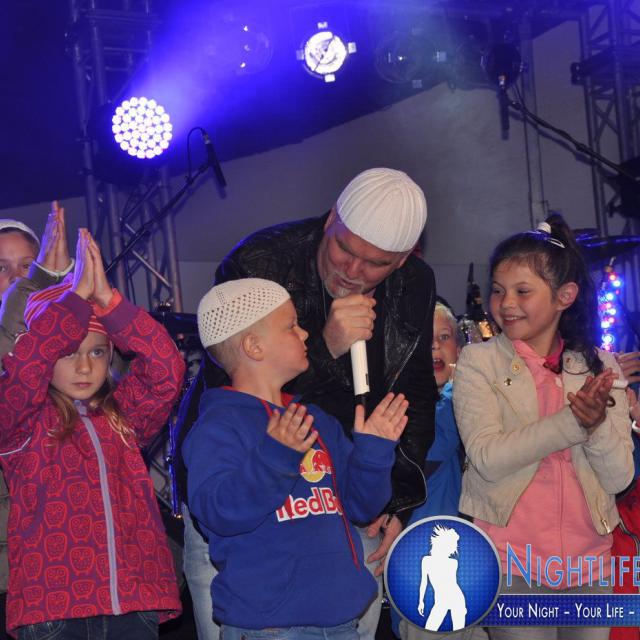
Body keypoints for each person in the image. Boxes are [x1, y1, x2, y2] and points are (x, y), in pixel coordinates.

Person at [176, 167, 438, 639]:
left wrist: (394, 491)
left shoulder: (414, 283)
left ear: (404, 260)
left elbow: (413, 396)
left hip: (333, 500)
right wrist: (325, 345)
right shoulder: (262, 260)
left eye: (375, 264)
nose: (352, 270)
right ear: (331, 219)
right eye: (344, 249)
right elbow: (235, 382)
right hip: (257, 553)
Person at [182, 277, 409, 640]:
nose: (305, 334)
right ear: (254, 346)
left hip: (340, 623)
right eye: (291, 326)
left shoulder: (316, 419)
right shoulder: (218, 426)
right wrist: (275, 457)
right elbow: (217, 512)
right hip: (271, 628)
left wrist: (373, 452)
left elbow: (361, 509)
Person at [453, 215, 635, 640]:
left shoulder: (600, 365)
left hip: (590, 566)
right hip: (510, 563)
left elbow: (619, 479)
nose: (506, 303)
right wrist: (573, 422)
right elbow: (487, 458)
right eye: (498, 290)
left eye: (522, 291)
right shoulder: (479, 362)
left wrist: (595, 427)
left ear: (564, 296)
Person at [0, 229, 185, 638]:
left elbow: (167, 369)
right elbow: (24, 370)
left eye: (97, 351)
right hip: (54, 609)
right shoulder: (21, 420)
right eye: (68, 352)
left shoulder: (124, 416)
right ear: (46, 351)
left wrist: (110, 302)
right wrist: (73, 302)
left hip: (134, 602)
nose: (84, 367)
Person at [0, 204, 74, 640]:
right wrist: (42, 279)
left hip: (58, 558)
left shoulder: (75, 341)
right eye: (1, 268)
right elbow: (11, 358)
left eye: (26, 266)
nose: (15, 279)